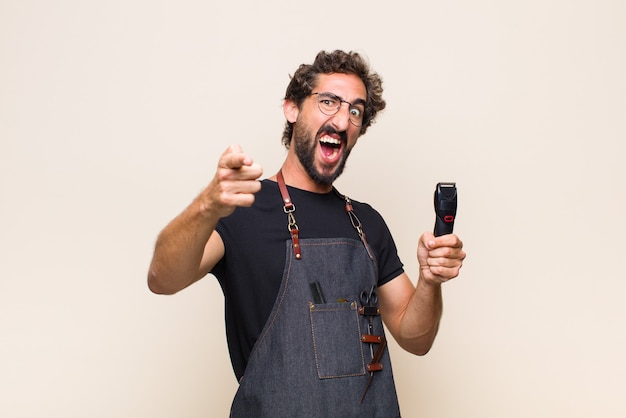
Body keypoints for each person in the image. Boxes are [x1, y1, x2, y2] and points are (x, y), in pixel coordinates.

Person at [147, 50, 466, 417]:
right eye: (329, 102)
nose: (343, 119)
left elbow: (417, 338)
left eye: (356, 111)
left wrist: (430, 281)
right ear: (292, 109)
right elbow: (162, 279)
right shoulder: (240, 207)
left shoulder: (367, 223)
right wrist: (205, 206)